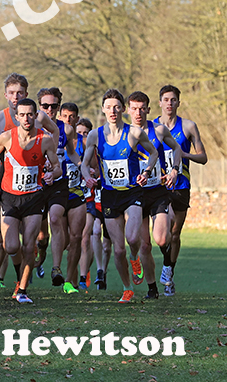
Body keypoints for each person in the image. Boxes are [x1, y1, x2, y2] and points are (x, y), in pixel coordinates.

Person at [82, 89, 159, 304]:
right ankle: (127, 288)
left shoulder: (134, 133)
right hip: (109, 195)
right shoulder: (95, 135)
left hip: (132, 192)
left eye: (117, 106)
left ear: (123, 108)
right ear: (103, 109)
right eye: (109, 107)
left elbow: (153, 153)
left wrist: (146, 172)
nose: (113, 111)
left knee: (133, 239)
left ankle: (135, 259)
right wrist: (88, 177)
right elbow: (85, 165)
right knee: (117, 250)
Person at [0, 98, 62, 304]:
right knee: (10, 246)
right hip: (10, 197)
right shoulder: (6, 137)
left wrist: (51, 175)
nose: (27, 118)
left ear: (36, 116)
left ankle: (22, 289)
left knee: (29, 246)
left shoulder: (44, 139)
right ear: (17, 116)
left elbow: (57, 167)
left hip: (34, 198)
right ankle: (21, 275)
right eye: (23, 114)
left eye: (31, 114)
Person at [126, 91, 181, 299]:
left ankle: (167, 264)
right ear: (128, 110)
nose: (138, 113)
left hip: (157, 191)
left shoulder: (158, 130)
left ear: (149, 109)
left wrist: (175, 169)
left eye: (142, 108)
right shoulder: (123, 134)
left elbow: (176, 148)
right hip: (135, 194)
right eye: (134, 108)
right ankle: (152, 289)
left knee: (160, 238)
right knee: (144, 244)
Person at [154, 85, 208, 296]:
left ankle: (169, 270)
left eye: (173, 99)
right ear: (159, 103)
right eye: (166, 99)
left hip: (181, 186)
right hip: (157, 186)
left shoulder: (188, 127)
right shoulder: (152, 128)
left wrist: (185, 155)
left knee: (175, 234)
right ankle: (167, 265)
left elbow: (203, 157)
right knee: (162, 233)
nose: (169, 103)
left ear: (178, 102)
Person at [37, 88, 84, 294]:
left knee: (56, 218)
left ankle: (56, 269)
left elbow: (71, 154)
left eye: (54, 106)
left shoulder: (67, 129)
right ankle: (40, 253)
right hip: (35, 184)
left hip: (58, 182)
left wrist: (84, 166)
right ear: (39, 107)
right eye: (45, 106)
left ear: (59, 106)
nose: (49, 109)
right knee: (38, 235)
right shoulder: (32, 127)